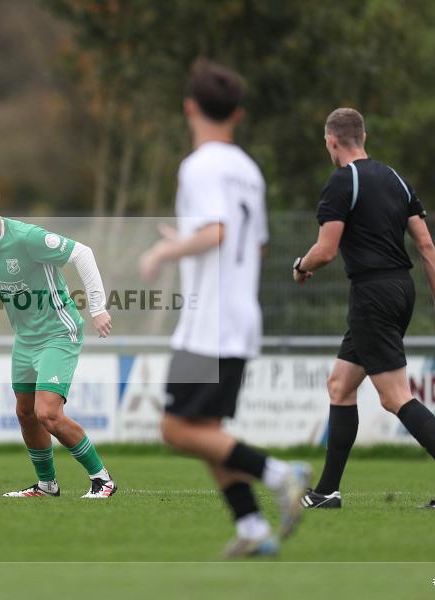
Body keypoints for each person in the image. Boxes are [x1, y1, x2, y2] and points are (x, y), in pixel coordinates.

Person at [139, 59, 311, 558]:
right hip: (239, 318)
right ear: (237, 114)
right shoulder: (248, 171)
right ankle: (253, 527)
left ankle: (280, 474)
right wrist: (186, 242)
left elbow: (217, 232)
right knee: (207, 432)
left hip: (207, 322)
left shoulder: (200, 166)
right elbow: (250, 247)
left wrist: (163, 252)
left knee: (175, 429)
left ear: (190, 107)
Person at [294, 107, 435, 510]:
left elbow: (325, 252)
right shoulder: (396, 179)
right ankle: (327, 491)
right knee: (340, 386)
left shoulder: (343, 182)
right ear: (363, 137)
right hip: (400, 289)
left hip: (372, 294)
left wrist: (300, 265)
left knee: (395, 397)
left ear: (332, 141)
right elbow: (426, 245)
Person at [0, 176, 117, 498]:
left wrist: (98, 308)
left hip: (58, 332)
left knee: (47, 413)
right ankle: (47, 485)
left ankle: (102, 480)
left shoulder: (28, 237)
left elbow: (83, 254)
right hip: (25, 338)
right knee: (25, 412)